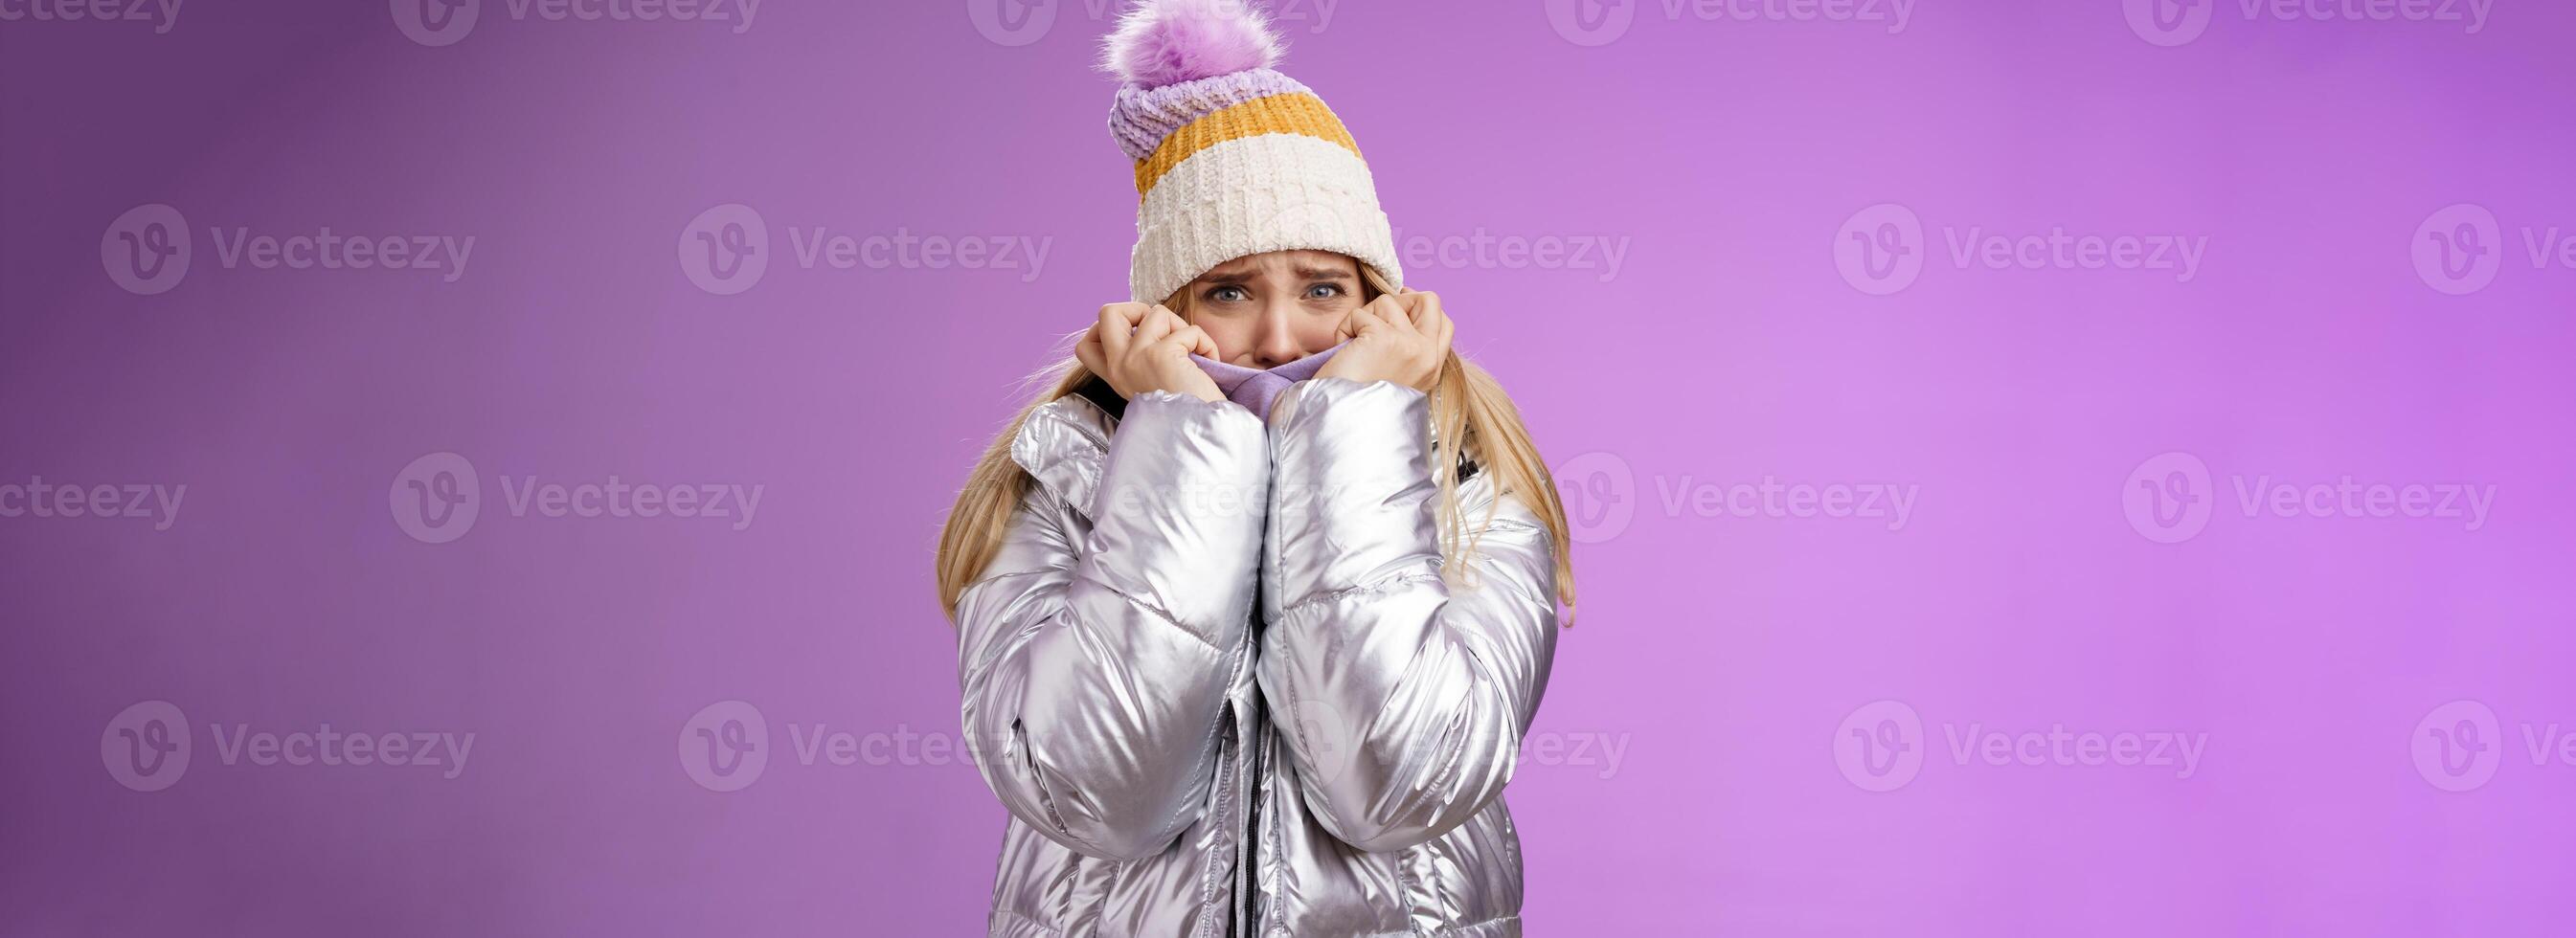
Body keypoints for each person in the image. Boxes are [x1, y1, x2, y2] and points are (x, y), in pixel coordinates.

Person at [933, 2, 1577, 933]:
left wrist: (1348, 433)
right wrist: (1185, 444)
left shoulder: (1473, 493)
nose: (1278, 337)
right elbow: (1099, 793)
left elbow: (1396, 785)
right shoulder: (1062, 485)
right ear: (1165, 309)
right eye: (1228, 290)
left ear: (1376, 304)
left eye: (1322, 287)